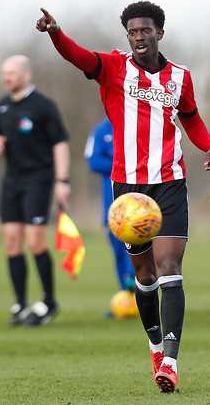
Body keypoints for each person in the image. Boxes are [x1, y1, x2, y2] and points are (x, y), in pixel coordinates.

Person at [37, 1, 210, 393]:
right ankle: (155, 347)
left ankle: (170, 362)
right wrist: (56, 31)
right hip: (129, 191)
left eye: (145, 30)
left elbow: (190, 116)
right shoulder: (114, 67)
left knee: (169, 264)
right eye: (132, 32)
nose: (139, 37)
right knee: (144, 275)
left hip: (170, 182)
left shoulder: (180, 78)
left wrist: (208, 147)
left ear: (159, 33)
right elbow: (78, 57)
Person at [0, 55, 70, 327]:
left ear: (26, 74)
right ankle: (20, 303)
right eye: (4, 73)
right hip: (12, 181)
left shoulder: (43, 106)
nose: (6, 78)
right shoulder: (2, 107)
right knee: (11, 241)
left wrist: (62, 180)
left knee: (36, 241)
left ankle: (48, 301)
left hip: (40, 178)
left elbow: (60, 144)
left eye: (11, 73)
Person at [85, 117, 136, 298]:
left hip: (138, 200)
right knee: (117, 248)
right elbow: (93, 162)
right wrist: (121, 163)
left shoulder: (137, 123)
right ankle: (125, 293)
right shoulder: (101, 130)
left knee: (138, 246)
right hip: (112, 201)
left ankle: (141, 292)